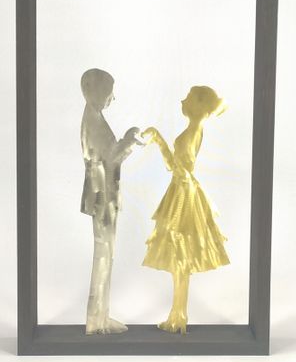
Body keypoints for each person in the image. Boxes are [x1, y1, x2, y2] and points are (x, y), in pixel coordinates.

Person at [142, 86, 229, 334]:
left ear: (199, 106)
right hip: (181, 188)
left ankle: (179, 316)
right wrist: (158, 139)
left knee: (181, 257)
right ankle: (177, 315)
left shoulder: (195, 130)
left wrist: (179, 204)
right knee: (179, 261)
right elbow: (175, 165)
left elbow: (182, 167)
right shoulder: (193, 128)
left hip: (184, 193)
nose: (183, 100)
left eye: (188, 98)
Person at [80, 68, 142, 335]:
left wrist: (125, 141)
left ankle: (101, 317)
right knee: (104, 256)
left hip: (103, 193)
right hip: (102, 195)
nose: (113, 98)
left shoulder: (94, 117)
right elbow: (111, 158)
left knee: (106, 255)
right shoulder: (94, 121)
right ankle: (96, 320)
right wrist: (129, 140)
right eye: (110, 92)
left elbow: (108, 155)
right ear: (97, 92)